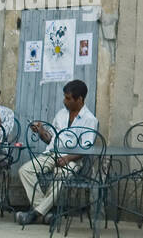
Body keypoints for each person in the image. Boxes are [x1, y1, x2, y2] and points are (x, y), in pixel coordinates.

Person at [15, 80, 99, 226]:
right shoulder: (61, 114)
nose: (64, 101)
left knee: (61, 176)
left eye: (68, 98)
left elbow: (87, 148)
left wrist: (67, 158)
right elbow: (50, 139)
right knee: (25, 170)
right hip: (51, 154)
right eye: (64, 97)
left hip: (72, 160)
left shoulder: (90, 120)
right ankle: (44, 214)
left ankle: (35, 214)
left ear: (79, 99)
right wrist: (41, 131)